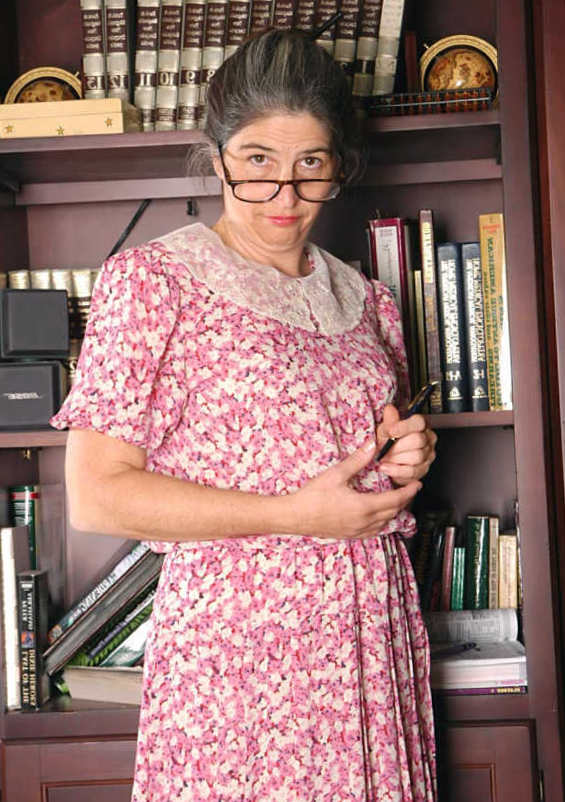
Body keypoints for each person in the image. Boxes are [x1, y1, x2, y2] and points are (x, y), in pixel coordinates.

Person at [51, 28, 438, 802]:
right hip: (241, 650)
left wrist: (404, 453)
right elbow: (97, 497)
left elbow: (360, 452)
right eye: (257, 162)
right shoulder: (153, 283)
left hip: (370, 631)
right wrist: (294, 514)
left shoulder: (368, 300)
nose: (284, 198)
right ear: (217, 155)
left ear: (338, 165)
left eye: (310, 167)